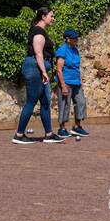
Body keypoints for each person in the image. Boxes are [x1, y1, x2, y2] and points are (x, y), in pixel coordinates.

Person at [14, 8, 63, 145]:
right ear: (43, 16)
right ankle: (18, 135)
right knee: (31, 101)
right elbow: (38, 53)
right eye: (51, 16)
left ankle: (49, 134)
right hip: (35, 68)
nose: (53, 18)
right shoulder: (38, 32)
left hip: (38, 69)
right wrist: (44, 72)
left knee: (46, 102)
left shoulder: (41, 31)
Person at [54, 29, 88, 138]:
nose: (76, 39)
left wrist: (80, 82)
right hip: (66, 82)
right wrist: (63, 85)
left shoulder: (75, 50)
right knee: (65, 105)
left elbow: (77, 68)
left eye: (77, 37)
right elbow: (59, 69)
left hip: (76, 82)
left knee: (81, 102)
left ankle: (77, 127)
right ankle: (62, 128)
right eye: (74, 38)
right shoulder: (62, 50)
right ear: (68, 39)